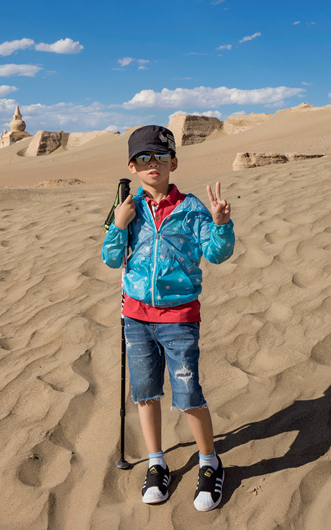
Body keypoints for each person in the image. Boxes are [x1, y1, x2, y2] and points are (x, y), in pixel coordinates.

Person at [101, 125, 235, 511]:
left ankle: (209, 462)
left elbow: (216, 253)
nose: (152, 164)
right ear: (132, 166)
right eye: (143, 158)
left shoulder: (191, 209)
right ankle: (156, 461)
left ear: (173, 161)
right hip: (136, 317)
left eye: (160, 156)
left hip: (179, 319)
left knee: (188, 394)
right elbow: (111, 259)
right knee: (145, 394)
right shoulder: (127, 208)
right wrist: (120, 225)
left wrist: (221, 223)